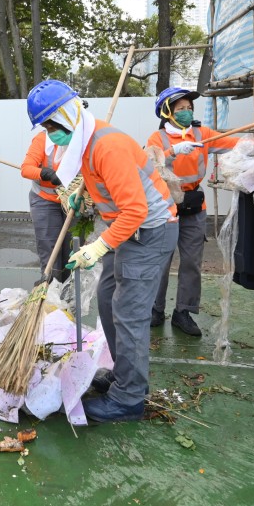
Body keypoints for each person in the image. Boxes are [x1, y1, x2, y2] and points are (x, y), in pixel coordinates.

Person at [27, 79, 178, 423]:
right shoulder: (84, 144)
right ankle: (123, 373)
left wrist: (98, 245)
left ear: (68, 113)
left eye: (53, 125)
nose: (51, 134)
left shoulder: (106, 145)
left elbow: (136, 209)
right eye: (46, 128)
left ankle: (128, 399)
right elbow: (100, 182)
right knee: (109, 299)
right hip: (127, 232)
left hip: (150, 232)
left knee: (129, 312)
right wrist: (84, 194)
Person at [146, 87, 240, 337]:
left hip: (194, 206)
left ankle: (183, 312)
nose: (187, 112)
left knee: (191, 262)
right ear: (167, 112)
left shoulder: (202, 134)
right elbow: (148, 165)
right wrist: (172, 152)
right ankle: (155, 309)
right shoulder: (158, 139)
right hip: (165, 207)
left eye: (189, 108)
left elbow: (234, 143)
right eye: (181, 109)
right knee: (160, 262)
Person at [21, 111, 76, 284]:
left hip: (73, 203)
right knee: (50, 249)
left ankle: (69, 294)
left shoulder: (79, 140)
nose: (52, 131)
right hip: (44, 200)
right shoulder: (41, 140)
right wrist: (44, 173)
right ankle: (50, 289)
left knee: (72, 250)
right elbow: (26, 169)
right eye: (49, 127)